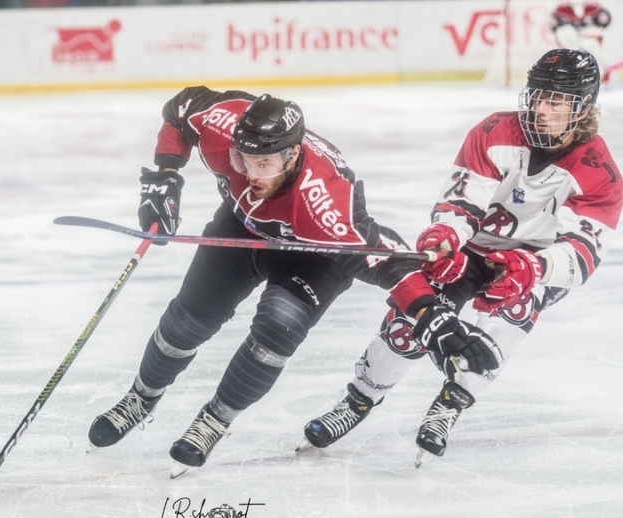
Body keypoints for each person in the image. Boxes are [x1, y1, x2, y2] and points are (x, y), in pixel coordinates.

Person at [84, 87, 501, 478]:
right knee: (189, 319)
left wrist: (432, 317)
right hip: (243, 227)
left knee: (278, 326)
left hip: (314, 253)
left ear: (292, 155)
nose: (248, 172)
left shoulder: (325, 204)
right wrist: (167, 174)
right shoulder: (223, 125)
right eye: (241, 158)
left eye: (263, 164)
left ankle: (214, 420)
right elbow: (179, 110)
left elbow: (386, 261)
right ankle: (141, 397)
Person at [299, 49, 622, 467]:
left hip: (532, 264)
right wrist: (446, 238)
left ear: (583, 108)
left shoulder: (601, 171)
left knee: (509, 320)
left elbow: (582, 251)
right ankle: (358, 400)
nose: (543, 109)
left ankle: (448, 407)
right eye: (539, 96)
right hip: (471, 249)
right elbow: (464, 202)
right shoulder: (494, 130)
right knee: (410, 320)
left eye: (557, 101)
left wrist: (536, 268)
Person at [550, 2, 613, 82]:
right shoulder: (561, 11)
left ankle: (598, 77)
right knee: (565, 32)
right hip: (570, 47)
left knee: (591, 46)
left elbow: (603, 22)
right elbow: (555, 28)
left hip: (589, 44)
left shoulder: (594, 8)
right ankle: (570, 78)